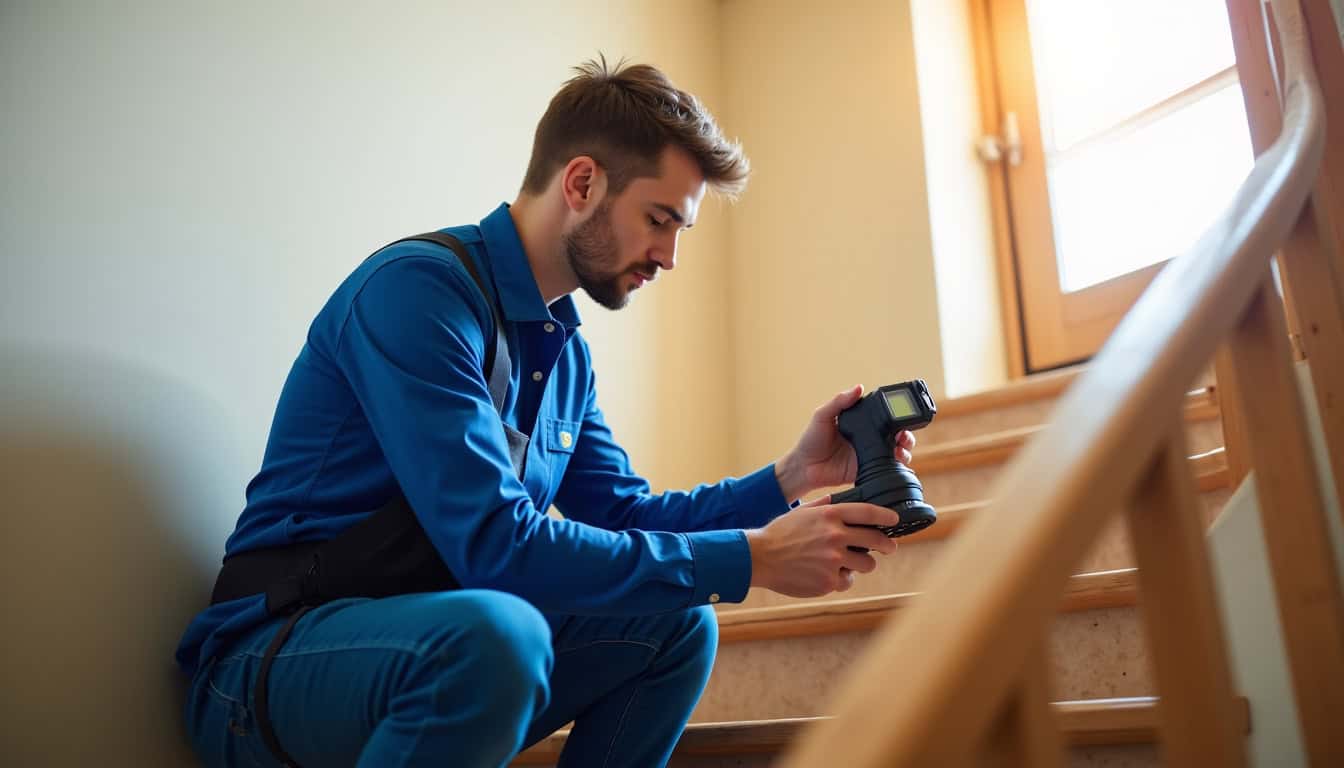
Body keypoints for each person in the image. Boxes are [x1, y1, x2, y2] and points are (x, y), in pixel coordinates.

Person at [176, 56, 916, 768]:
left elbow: (623, 517)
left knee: (676, 623)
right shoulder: (418, 294)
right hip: (271, 663)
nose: (669, 256)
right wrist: (754, 557)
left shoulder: (567, 352)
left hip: (445, 647)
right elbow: (497, 547)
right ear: (584, 182)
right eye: (658, 219)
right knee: (498, 635)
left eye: (679, 231)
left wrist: (792, 475)